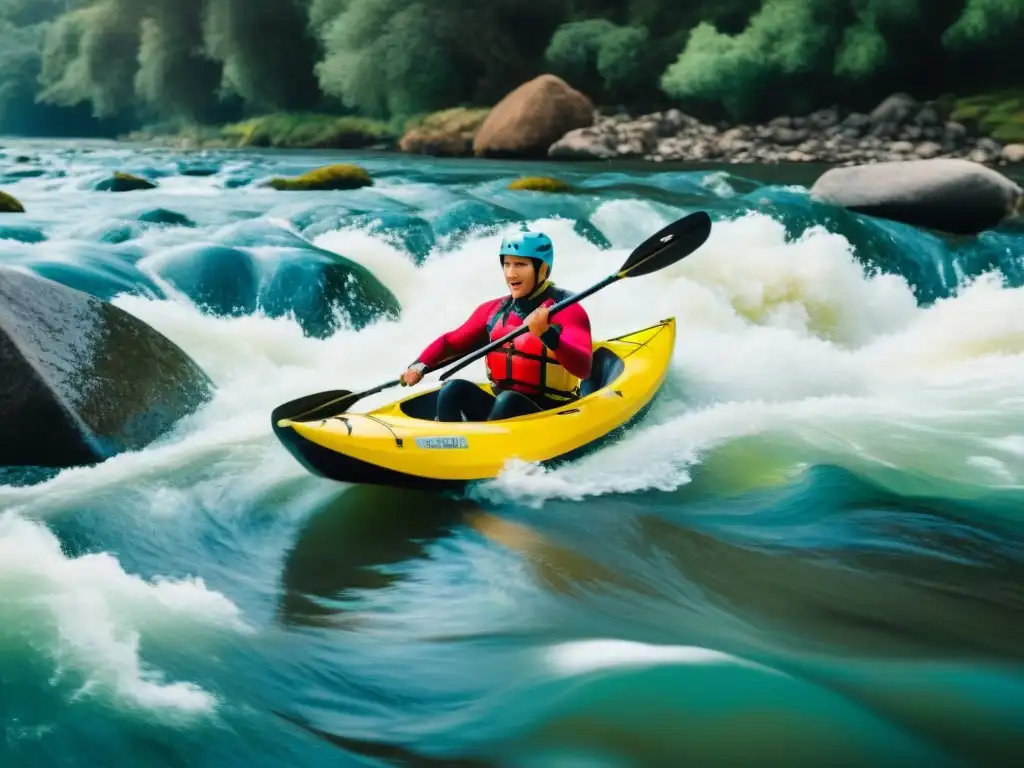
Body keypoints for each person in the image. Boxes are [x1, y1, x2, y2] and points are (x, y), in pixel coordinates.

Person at [400, 230, 593, 421]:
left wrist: (546, 334)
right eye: (506, 264)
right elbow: (451, 343)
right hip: (501, 410)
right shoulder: (494, 311)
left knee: (509, 401)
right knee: (453, 389)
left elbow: (584, 368)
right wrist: (419, 365)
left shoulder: (567, 310)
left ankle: (483, 445)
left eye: (520, 264)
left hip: (551, 413)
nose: (511, 273)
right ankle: (446, 443)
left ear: (542, 268)